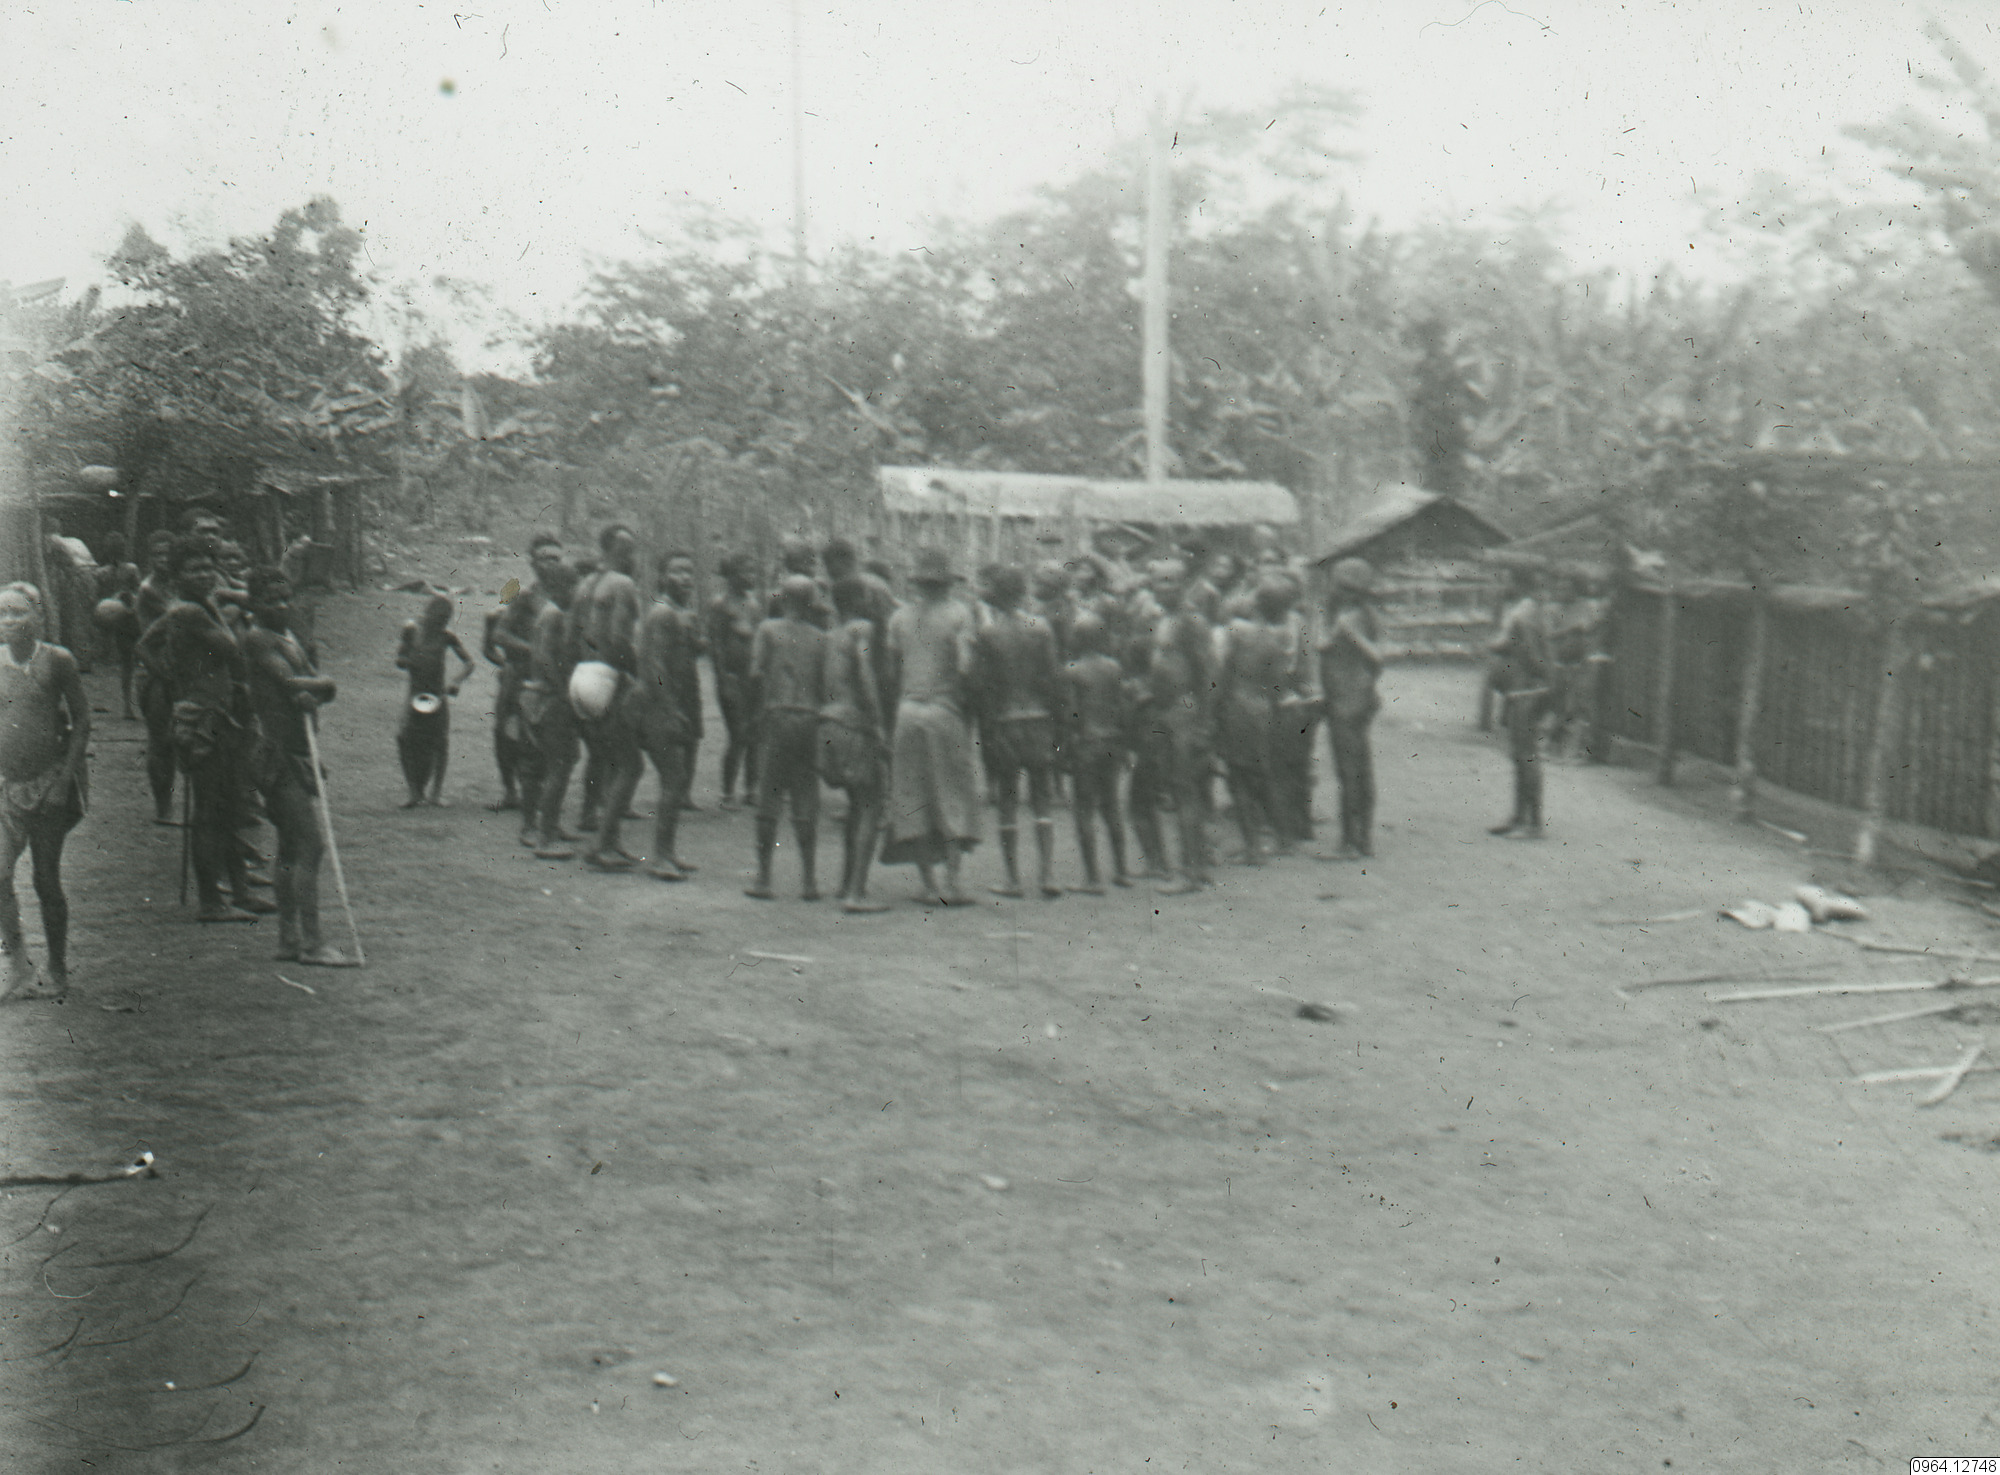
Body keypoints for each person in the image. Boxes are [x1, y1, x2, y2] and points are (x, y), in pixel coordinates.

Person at [135, 537, 271, 921]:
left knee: (228, 807)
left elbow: (145, 644)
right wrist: (173, 680)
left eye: (209, 566)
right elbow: (231, 649)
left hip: (219, 714)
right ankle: (212, 901)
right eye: (194, 569)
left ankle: (240, 891)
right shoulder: (189, 611)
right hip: (202, 719)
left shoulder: (196, 606)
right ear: (177, 576)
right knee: (210, 810)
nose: (204, 574)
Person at [242, 568, 354, 967]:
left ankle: (289, 940)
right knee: (310, 845)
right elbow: (292, 683)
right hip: (277, 756)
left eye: (285, 598)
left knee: (291, 846)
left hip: (298, 750)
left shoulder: (287, 636)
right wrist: (324, 686)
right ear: (254, 603)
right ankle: (311, 943)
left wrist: (315, 691)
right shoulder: (257, 638)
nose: (281, 606)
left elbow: (306, 684)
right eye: (270, 600)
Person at [0, 584, 89, 1000]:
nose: (8, 621)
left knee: (45, 877)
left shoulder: (57, 660)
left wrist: (63, 781)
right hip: (7, 786)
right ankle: (19, 964)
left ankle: (56, 967)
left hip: (50, 782)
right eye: (2, 613)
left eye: (18, 612)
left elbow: (82, 720)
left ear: (38, 615)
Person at [879, 548, 981, 905]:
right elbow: (966, 667)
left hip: (907, 710)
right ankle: (952, 882)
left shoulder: (899, 617)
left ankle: (928, 885)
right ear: (948, 582)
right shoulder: (959, 614)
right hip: (944, 709)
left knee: (912, 796)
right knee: (952, 793)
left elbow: (890, 672)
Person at [969, 564, 1063, 899]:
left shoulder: (988, 634)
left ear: (995, 596)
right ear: (1022, 592)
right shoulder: (1042, 628)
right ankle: (1047, 874)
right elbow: (1052, 678)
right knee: (1042, 798)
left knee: (1008, 799)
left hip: (1005, 720)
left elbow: (981, 686)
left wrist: (988, 727)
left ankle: (1012, 880)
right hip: (1038, 718)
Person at [1127, 558, 1217, 894]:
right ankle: (1165, 864)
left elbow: (1209, 677)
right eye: (1158, 581)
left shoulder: (1193, 622)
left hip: (1184, 712)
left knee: (1184, 792)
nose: (1163, 587)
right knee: (1150, 789)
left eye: (1170, 581)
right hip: (1159, 712)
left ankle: (1191, 871)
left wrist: (1204, 726)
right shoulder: (1156, 619)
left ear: (1183, 584)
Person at [570, 525, 646, 869]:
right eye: (628, 551)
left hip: (582, 675)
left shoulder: (585, 584)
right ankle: (603, 845)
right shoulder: (622, 584)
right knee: (631, 765)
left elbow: (574, 635)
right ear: (616, 551)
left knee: (606, 759)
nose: (633, 557)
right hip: (606, 676)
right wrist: (634, 676)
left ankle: (611, 841)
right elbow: (619, 639)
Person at [745, 575, 825, 900]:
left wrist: (755, 714)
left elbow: (754, 673)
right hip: (808, 719)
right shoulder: (820, 637)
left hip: (776, 716)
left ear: (784, 599)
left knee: (769, 795)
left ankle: (764, 878)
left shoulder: (767, 630)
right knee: (806, 796)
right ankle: (809, 881)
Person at [1216, 576, 1304, 865]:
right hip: (1263, 708)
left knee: (1239, 779)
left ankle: (1253, 847)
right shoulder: (1277, 639)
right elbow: (1278, 685)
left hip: (1237, 708)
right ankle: (1285, 838)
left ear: (1256, 602)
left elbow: (1221, 674)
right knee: (1268, 775)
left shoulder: (1237, 632)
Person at [818, 575, 891, 912]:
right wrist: (877, 723)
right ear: (858, 600)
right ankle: (855, 894)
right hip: (854, 723)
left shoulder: (829, 635)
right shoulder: (862, 629)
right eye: (868, 596)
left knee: (856, 805)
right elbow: (865, 674)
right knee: (870, 805)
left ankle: (846, 883)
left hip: (828, 722)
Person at [632, 549, 705, 881]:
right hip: (658, 708)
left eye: (689, 571)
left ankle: (668, 852)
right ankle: (661, 857)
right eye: (678, 571)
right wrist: (670, 710)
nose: (686, 578)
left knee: (675, 780)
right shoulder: (662, 614)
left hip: (672, 705)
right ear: (662, 578)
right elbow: (654, 667)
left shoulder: (678, 614)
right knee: (673, 779)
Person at [484, 533, 565, 813]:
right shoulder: (523, 595)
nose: (552, 564)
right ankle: (510, 791)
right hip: (520, 673)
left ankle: (541, 790)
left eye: (557, 558)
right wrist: (533, 649)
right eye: (545, 558)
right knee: (506, 732)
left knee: (550, 735)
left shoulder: (568, 596)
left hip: (553, 676)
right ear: (533, 563)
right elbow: (500, 634)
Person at [1057, 611, 1131, 894]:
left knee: (1084, 809)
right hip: (1112, 741)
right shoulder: (1114, 667)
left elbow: (1071, 713)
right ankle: (1121, 871)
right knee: (1112, 807)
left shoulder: (1072, 670)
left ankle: (1092, 878)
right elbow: (1121, 708)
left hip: (1086, 743)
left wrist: (1063, 749)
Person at [1318, 559, 1384, 859]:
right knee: (1361, 768)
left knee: (1348, 771)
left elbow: (1378, 656)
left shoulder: (1349, 618)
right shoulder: (1368, 614)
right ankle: (1364, 839)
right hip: (1359, 697)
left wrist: (1345, 635)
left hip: (1346, 700)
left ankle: (1349, 842)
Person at [1487, 567, 1556, 839]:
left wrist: (1497, 646)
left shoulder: (1524, 613)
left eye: (1506, 580)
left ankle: (1533, 823)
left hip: (1527, 690)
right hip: (1520, 688)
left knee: (1526, 755)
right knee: (1519, 754)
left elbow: (1532, 653)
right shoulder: (1525, 610)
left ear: (1517, 583)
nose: (1502, 585)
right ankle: (1519, 817)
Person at [520, 564, 584, 858]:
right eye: (574, 587)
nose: (578, 593)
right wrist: (563, 691)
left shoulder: (554, 614)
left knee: (561, 763)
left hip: (550, 697)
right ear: (559, 588)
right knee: (559, 765)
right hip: (551, 699)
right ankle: (545, 838)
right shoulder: (554, 615)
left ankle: (551, 826)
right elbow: (544, 657)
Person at [394, 591, 475, 808]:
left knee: (440, 741)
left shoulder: (446, 637)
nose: (438, 624)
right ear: (427, 613)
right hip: (415, 693)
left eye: (443, 621)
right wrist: (409, 662)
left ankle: (436, 793)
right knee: (404, 738)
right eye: (435, 618)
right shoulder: (411, 631)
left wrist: (456, 681)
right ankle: (413, 792)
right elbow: (399, 658)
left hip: (437, 694)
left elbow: (469, 663)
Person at [705, 552, 763, 810]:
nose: (751, 576)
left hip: (753, 678)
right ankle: (727, 792)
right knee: (738, 734)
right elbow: (716, 645)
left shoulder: (753, 604)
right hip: (732, 678)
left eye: (753, 570)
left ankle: (751, 789)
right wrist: (723, 679)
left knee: (755, 735)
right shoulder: (720, 604)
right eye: (746, 571)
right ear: (732, 574)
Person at [133, 530, 181, 823]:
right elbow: (178, 616)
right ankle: (163, 806)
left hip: (178, 668)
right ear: (149, 558)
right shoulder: (148, 589)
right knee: (161, 740)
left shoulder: (177, 582)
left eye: (168, 554)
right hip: (154, 670)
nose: (163, 559)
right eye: (157, 554)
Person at [92, 532, 144, 721]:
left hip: (115, 618)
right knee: (137, 662)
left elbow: (97, 598)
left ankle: (127, 706)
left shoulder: (101, 573)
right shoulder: (131, 569)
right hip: (131, 618)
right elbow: (139, 591)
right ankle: (134, 706)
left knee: (126, 664)